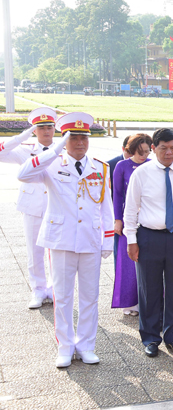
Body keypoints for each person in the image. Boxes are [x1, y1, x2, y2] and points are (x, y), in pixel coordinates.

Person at [18, 112, 114, 368]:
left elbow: (106, 207)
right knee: (62, 297)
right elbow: (23, 174)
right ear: (64, 139)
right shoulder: (51, 164)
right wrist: (54, 150)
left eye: (84, 137)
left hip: (90, 240)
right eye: (74, 138)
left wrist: (107, 242)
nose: (81, 143)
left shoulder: (100, 167)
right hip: (61, 240)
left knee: (90, 296)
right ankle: (65, 346)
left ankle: (86, 346)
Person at [124, 128, 173, 358]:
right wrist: (131, 239)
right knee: (149, 289)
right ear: (153, 148)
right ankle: (150, 338)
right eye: (164, 148)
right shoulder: (142, 173)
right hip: (149, 236)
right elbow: (130, 208)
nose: (169, 152)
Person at [0, 107, 57, 309]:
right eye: (41, 128)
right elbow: (1, 152)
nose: (46, 131)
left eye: (49, 127)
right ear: (34, 130)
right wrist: (19, 137)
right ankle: (38, 289)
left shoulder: (64, 149)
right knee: (35, 250)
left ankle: (54, 288)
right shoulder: (25, 149)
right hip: (32, 205)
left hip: (57, 207)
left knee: (57, 251)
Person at [112, 134, 152, 316]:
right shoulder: (122, 166)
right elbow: (118, 194)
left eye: (147, 151)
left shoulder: (152, 165)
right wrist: (117, 219)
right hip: (129, 219)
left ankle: (150, 299)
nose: (144, 155)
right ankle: (130, 302)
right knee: (128, 262)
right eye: (139, 152)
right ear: (131, 150)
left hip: (149, 218)